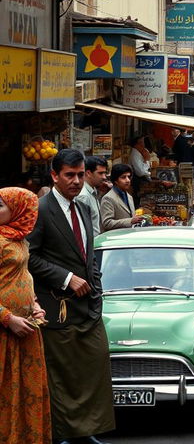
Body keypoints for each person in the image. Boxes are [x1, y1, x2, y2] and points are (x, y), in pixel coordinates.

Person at [27, 149, 115, 444]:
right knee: (62, 375)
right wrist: (65, 278)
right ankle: (63, 433)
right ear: (54, 175)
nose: (76, 181)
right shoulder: (40, 209)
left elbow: (89, 257)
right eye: (69, 175)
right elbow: (28, 256)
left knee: (93, 367)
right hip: (56, 307)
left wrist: (96, 291)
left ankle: (86, 430)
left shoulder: (84, 208)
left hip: (88, 308)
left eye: (80, 175)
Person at [0, 187, 51, 444]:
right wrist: (7, 318)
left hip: (26, 329)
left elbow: (23, 278)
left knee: (25, 393)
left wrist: (33, 305)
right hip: (5, 332)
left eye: (0, 205)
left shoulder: (18, 239)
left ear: (20, 211)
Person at [100, 164, 145, 232]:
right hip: (116, 238)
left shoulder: (129, 196)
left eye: (129, 177)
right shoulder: (108, 198)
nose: (128, 180)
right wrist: (130, 221)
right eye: (123, 177)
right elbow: (107, 223)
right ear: (115, 180)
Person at [75, 156, 109, 238]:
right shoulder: (84, 196)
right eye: (100, 173)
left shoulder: (93, 191)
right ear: (88, 173)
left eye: (105, 173)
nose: (104, 177)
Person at [129, 134, 151, 206]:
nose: (143, 145)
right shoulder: (135, 154)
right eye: (141, 143)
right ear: (137, 144)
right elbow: (140, 172)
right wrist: (146, 160)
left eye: (143, 142)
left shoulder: (139, 152)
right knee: (138, 202)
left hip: (141, 180)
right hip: (137, 182)